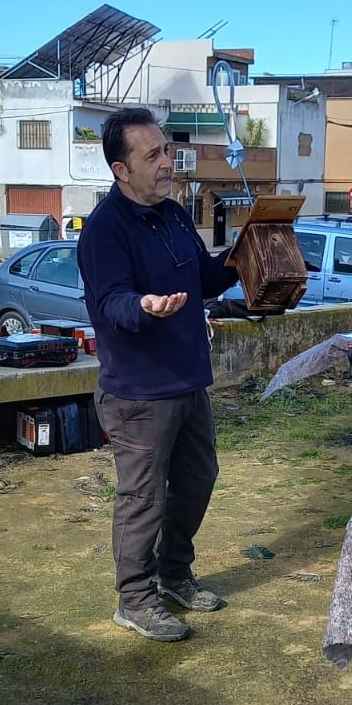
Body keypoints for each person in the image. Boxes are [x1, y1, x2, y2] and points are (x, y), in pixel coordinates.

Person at [77, 107, 239, 642]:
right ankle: (135, 599)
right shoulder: (104, 231)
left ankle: (173, 574)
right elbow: (110, 302)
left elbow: (206, 279)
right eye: (153, 155)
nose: (167, 162)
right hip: (139, 395)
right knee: (142, 500)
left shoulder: (172, 215)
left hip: (188, 380)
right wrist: (144, 306)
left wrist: (243, 253)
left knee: (198, 480)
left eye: (166, 150)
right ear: (121, 170)